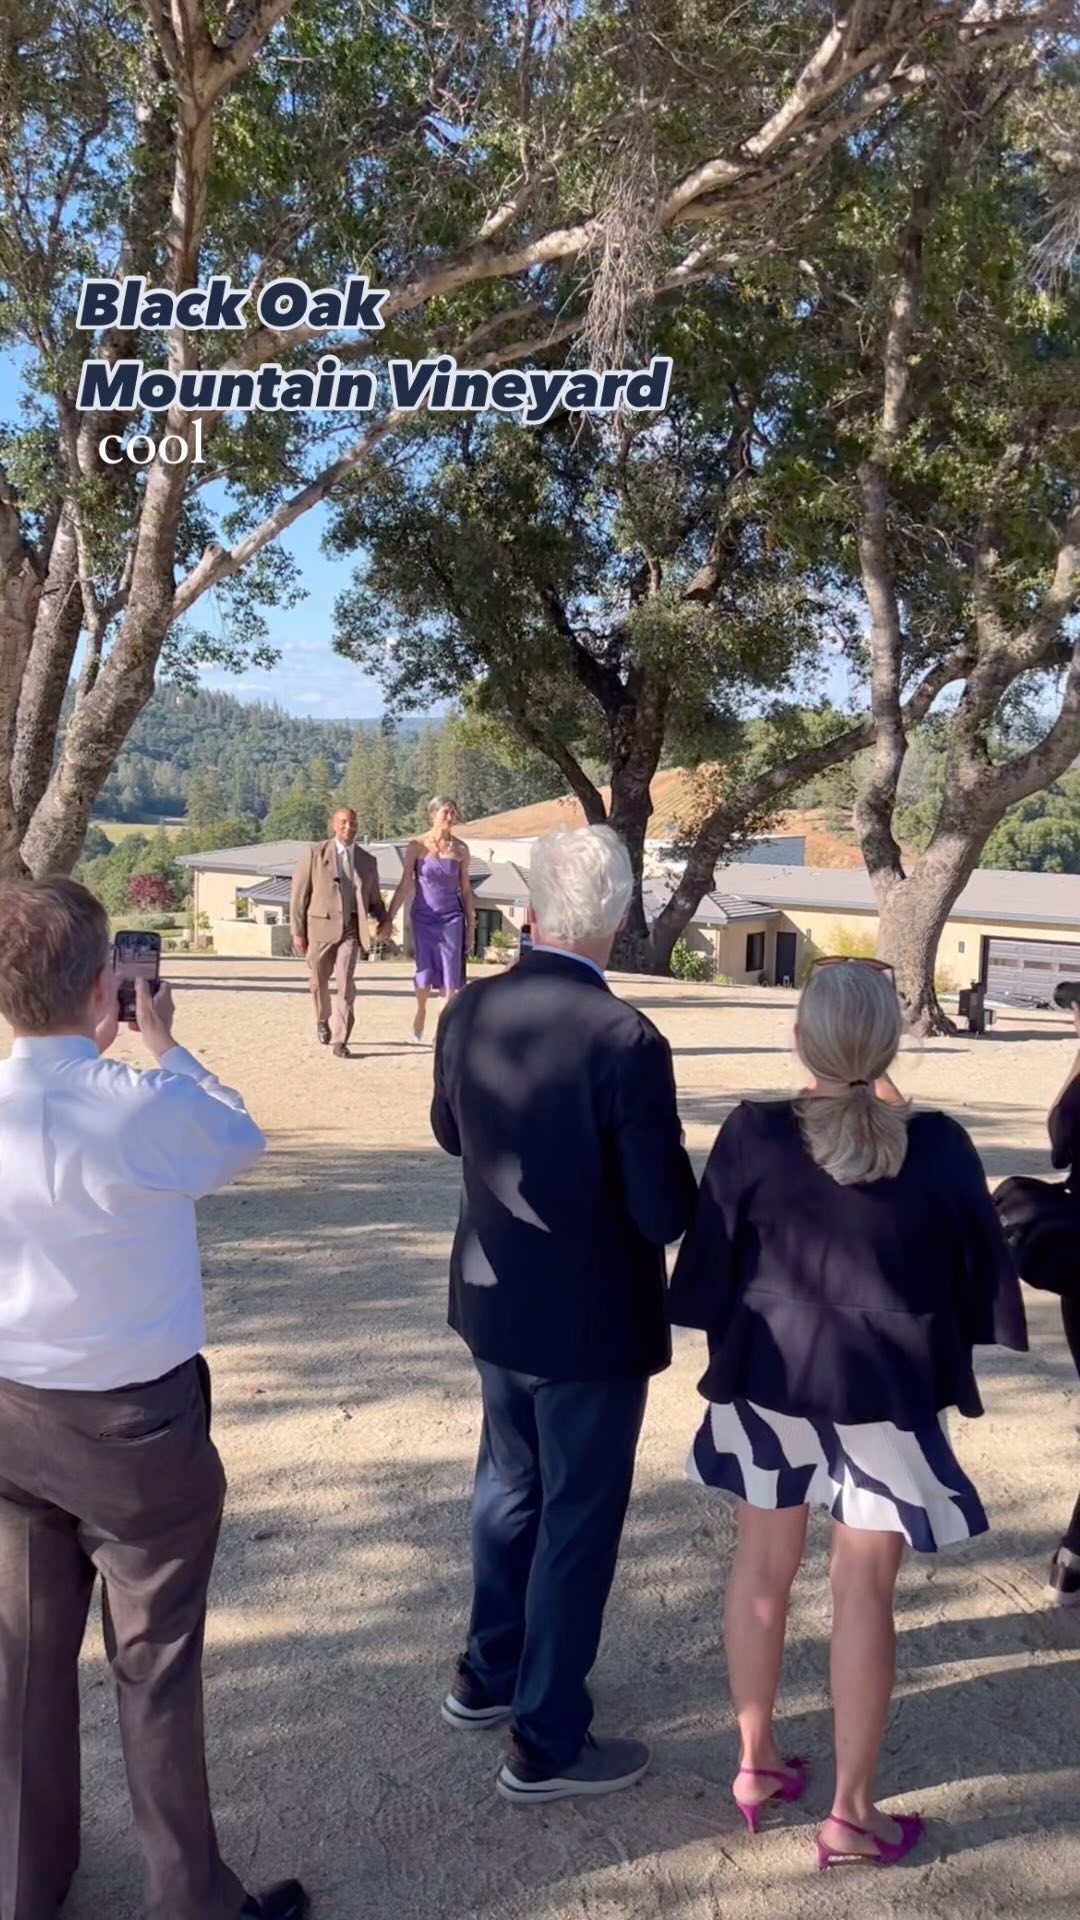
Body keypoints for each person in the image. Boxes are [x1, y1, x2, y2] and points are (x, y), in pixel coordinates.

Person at [670, 957, 1026, 1869]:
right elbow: (979, 1273)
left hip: (765, 1376)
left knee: (761, 1570)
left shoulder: (753, 1133)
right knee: (861, 1591)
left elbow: (707, 1267)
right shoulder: (937, 1144)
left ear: (801, 1038)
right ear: (891, 1044)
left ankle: (754, 1762)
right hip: (884, 1390)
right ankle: (850, 1815)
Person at [0, 878, 306, 1920]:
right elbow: (237, 1134)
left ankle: (21, 1881)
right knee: (155, 1664)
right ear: (106, 986)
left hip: (11, 1414)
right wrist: (163, 1042)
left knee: (22, 1662)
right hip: (134, 1427)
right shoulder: (140, 1105)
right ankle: (187, 1899)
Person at [431, 825, 697, 1806]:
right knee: (577, 1519)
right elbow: (663, 1211)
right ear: (618, 917)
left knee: (509, 1485)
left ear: (532, 909)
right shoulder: (627, 1039)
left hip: (494, 1292)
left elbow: (448, 1129)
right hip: (589, 1318)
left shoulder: (469, 1007)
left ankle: (489, 1671)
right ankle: (545, 1738)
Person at [289, 805, 391, 1059]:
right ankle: (322, 1019)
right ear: (334, 825)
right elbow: (299, 896)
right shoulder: (315, 854)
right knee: (318, 982)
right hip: (320, 929)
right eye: (343, 822)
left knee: (345, 985)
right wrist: (297, 931)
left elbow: (374, 899)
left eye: (352, 822)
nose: (349, 827)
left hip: (351, 930)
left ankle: (340, 1039)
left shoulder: (367, 861)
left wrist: (384, 920)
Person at [385, 796, 475, 1046]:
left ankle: (441, 1032)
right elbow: (405, 884)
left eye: (453, 812)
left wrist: (471, 928)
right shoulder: (416, 846)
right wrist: (389, 918)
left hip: (452, 919)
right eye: (445, 812)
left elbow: (466, 891)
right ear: (432, 815)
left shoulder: (461, 849)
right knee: (423, 976)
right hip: (424, 918)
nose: (450, 817)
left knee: (450, 979)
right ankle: (421, 1010)